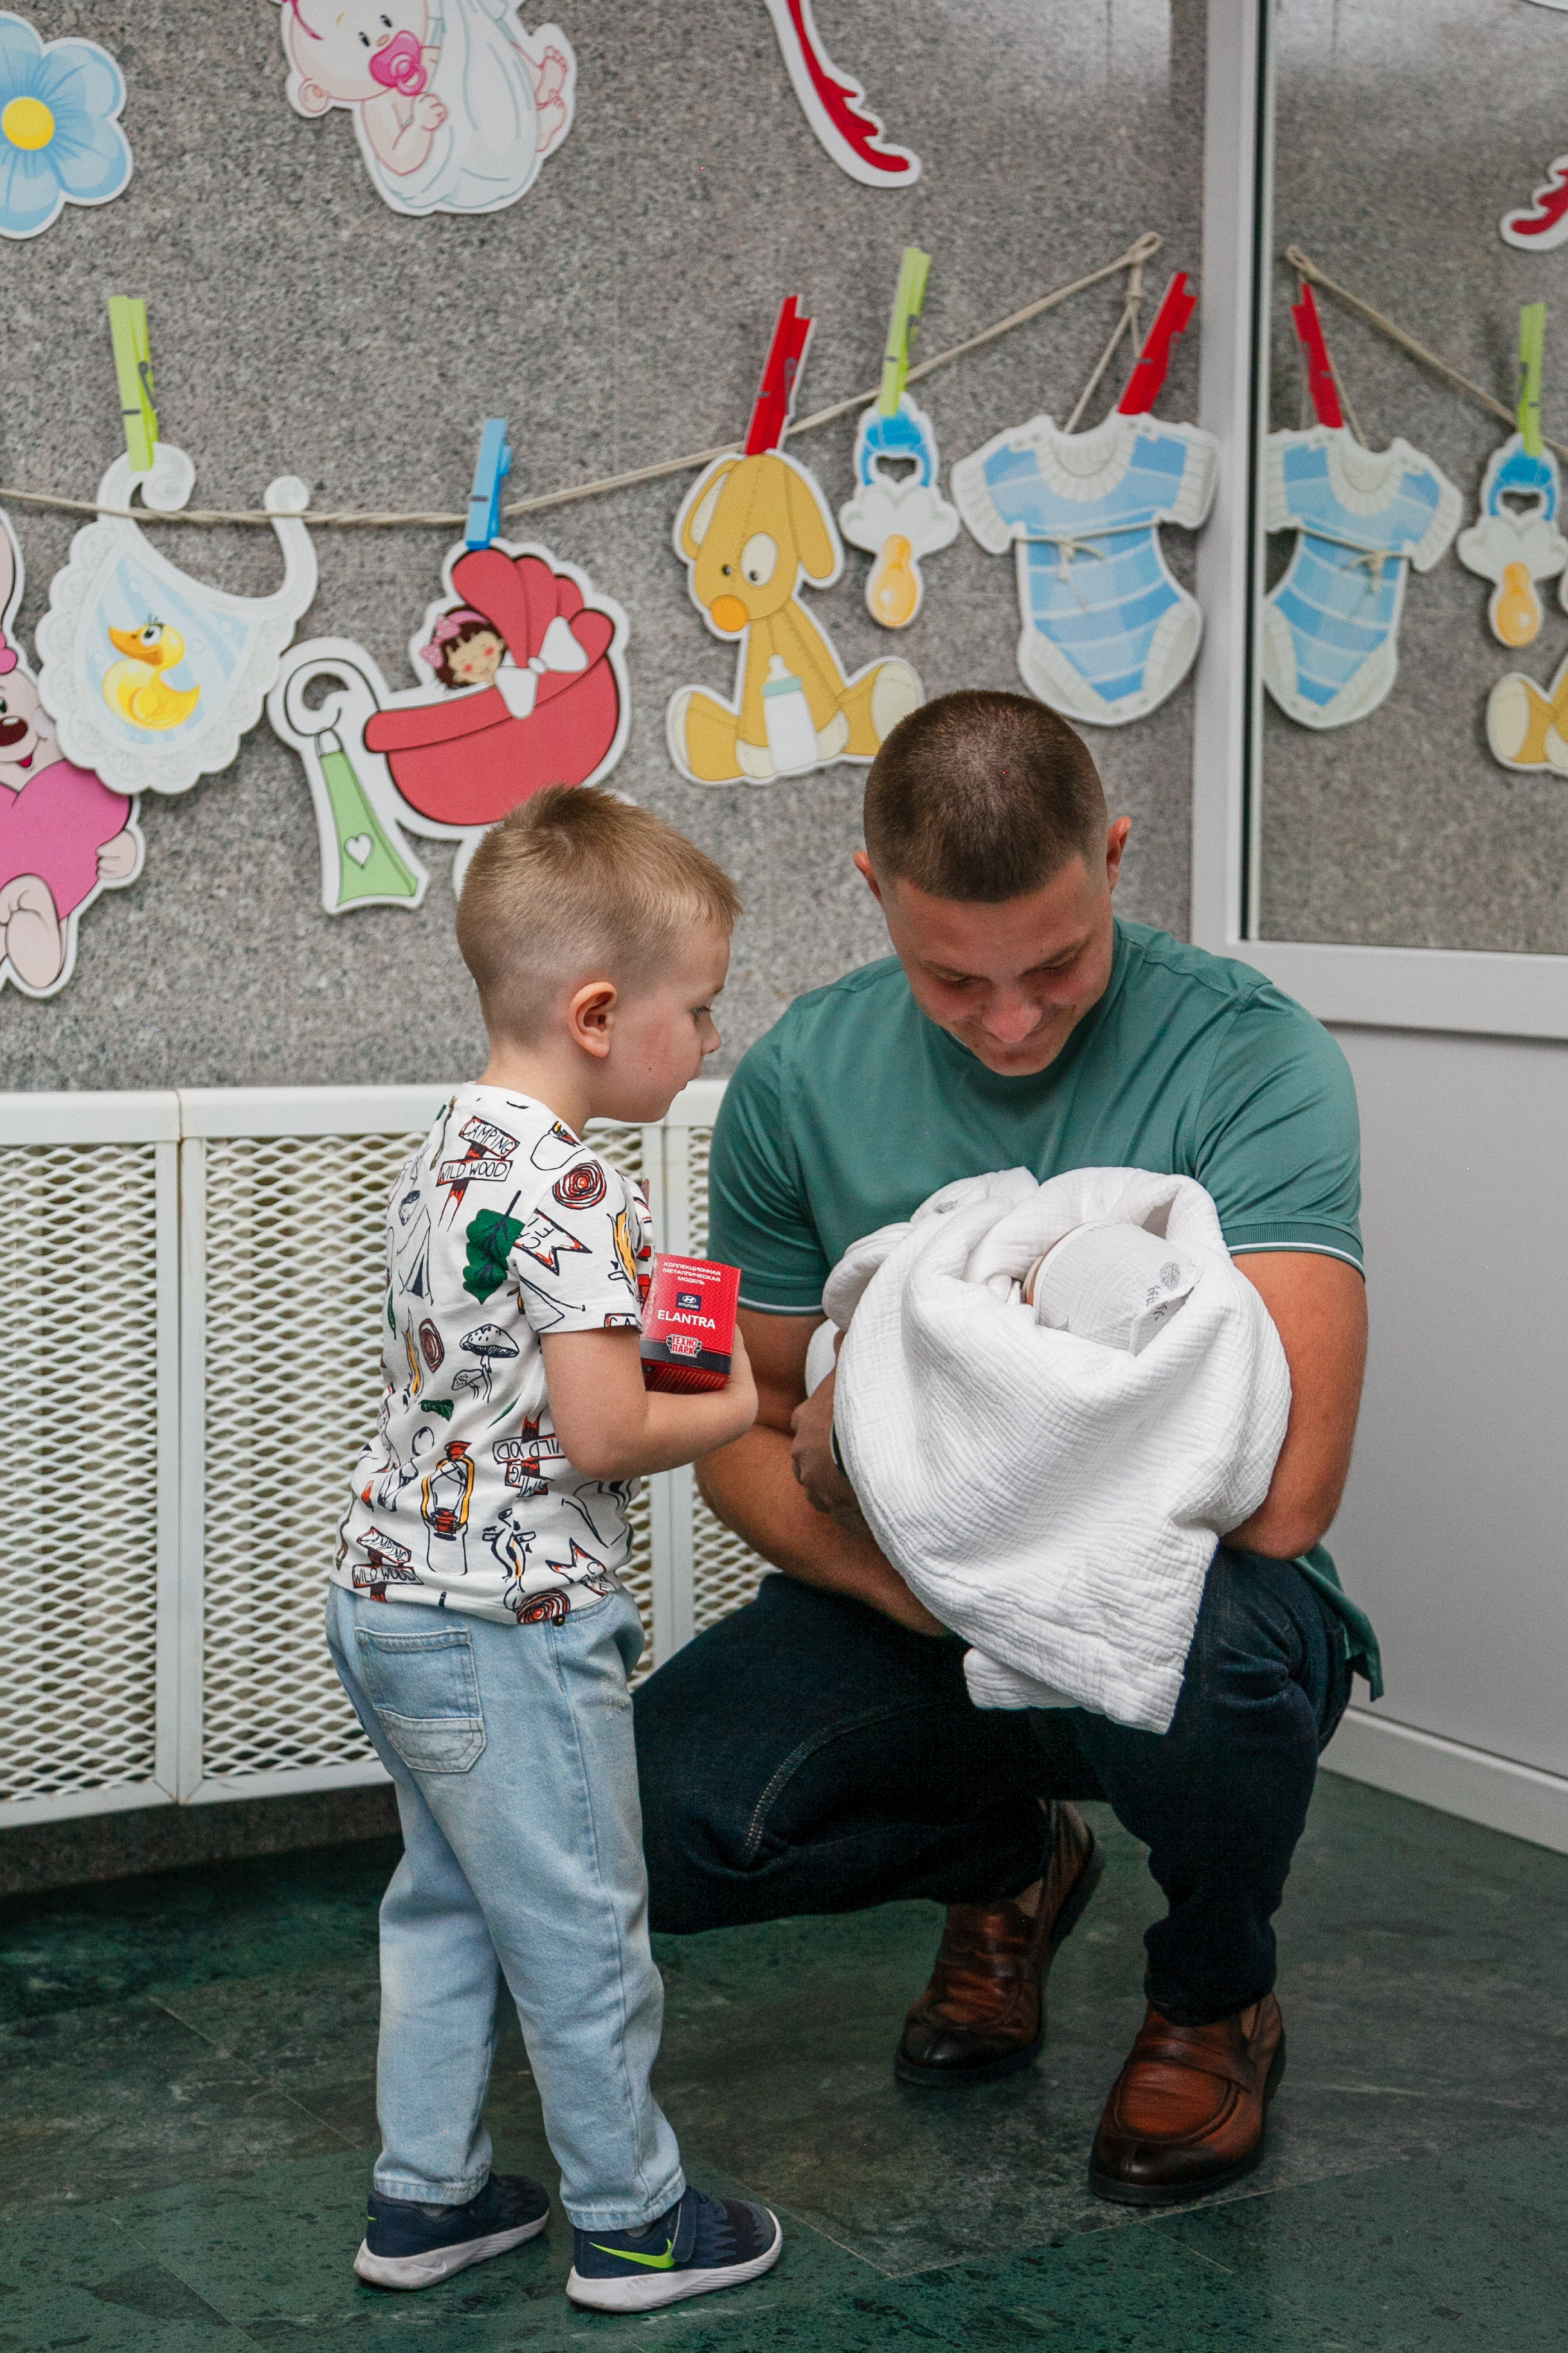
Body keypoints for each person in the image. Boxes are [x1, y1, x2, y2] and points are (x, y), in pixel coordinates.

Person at [634, 690, 1381, 2208]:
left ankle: (1212, 1986)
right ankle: (1009, 1866)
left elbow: (1289, 1497)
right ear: (868, 894)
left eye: (1053, 965)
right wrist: (924, 1585)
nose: (1011, 1020)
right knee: (652, 1829)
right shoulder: (785, 1081)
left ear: (1112, 858)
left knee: (1240, 1670)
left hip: (1179, 1590)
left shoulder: (1258, 1056)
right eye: (950, 980)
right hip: (905, 1595)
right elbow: (723, 1421)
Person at [327, 787, 783, 2310]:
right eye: (697, 1009)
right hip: (512, 1614)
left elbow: (501, 1371)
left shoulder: (451, 1142)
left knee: (448, 1900)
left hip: (390, 1593)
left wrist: (658, 1318)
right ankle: (636, 2220)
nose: (707, 1037)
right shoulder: (579, 1183)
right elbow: (600, 1435)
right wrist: (725, 1403)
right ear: (599, 1011)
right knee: (585, 1920)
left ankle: (427, 2197)